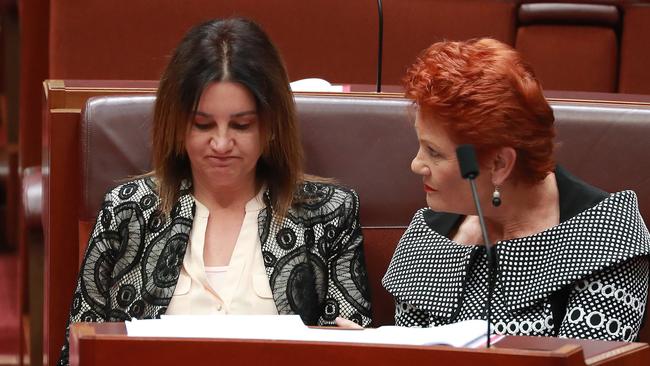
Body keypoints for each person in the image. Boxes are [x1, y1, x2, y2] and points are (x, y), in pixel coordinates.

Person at [57, 18, 371, 365]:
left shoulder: (329, 214)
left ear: (271, 126)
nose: (221, 143)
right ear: (176, 124)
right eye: (203, 124)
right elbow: (78, 352)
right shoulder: (127, 211)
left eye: (241, 125)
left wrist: (358, 349)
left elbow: (351, 347)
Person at [382, 38, 650, 341]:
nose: (416, 165)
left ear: (499, 164)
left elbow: (583, 362)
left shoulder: (606, 237)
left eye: (434, 152)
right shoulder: (429, 238)